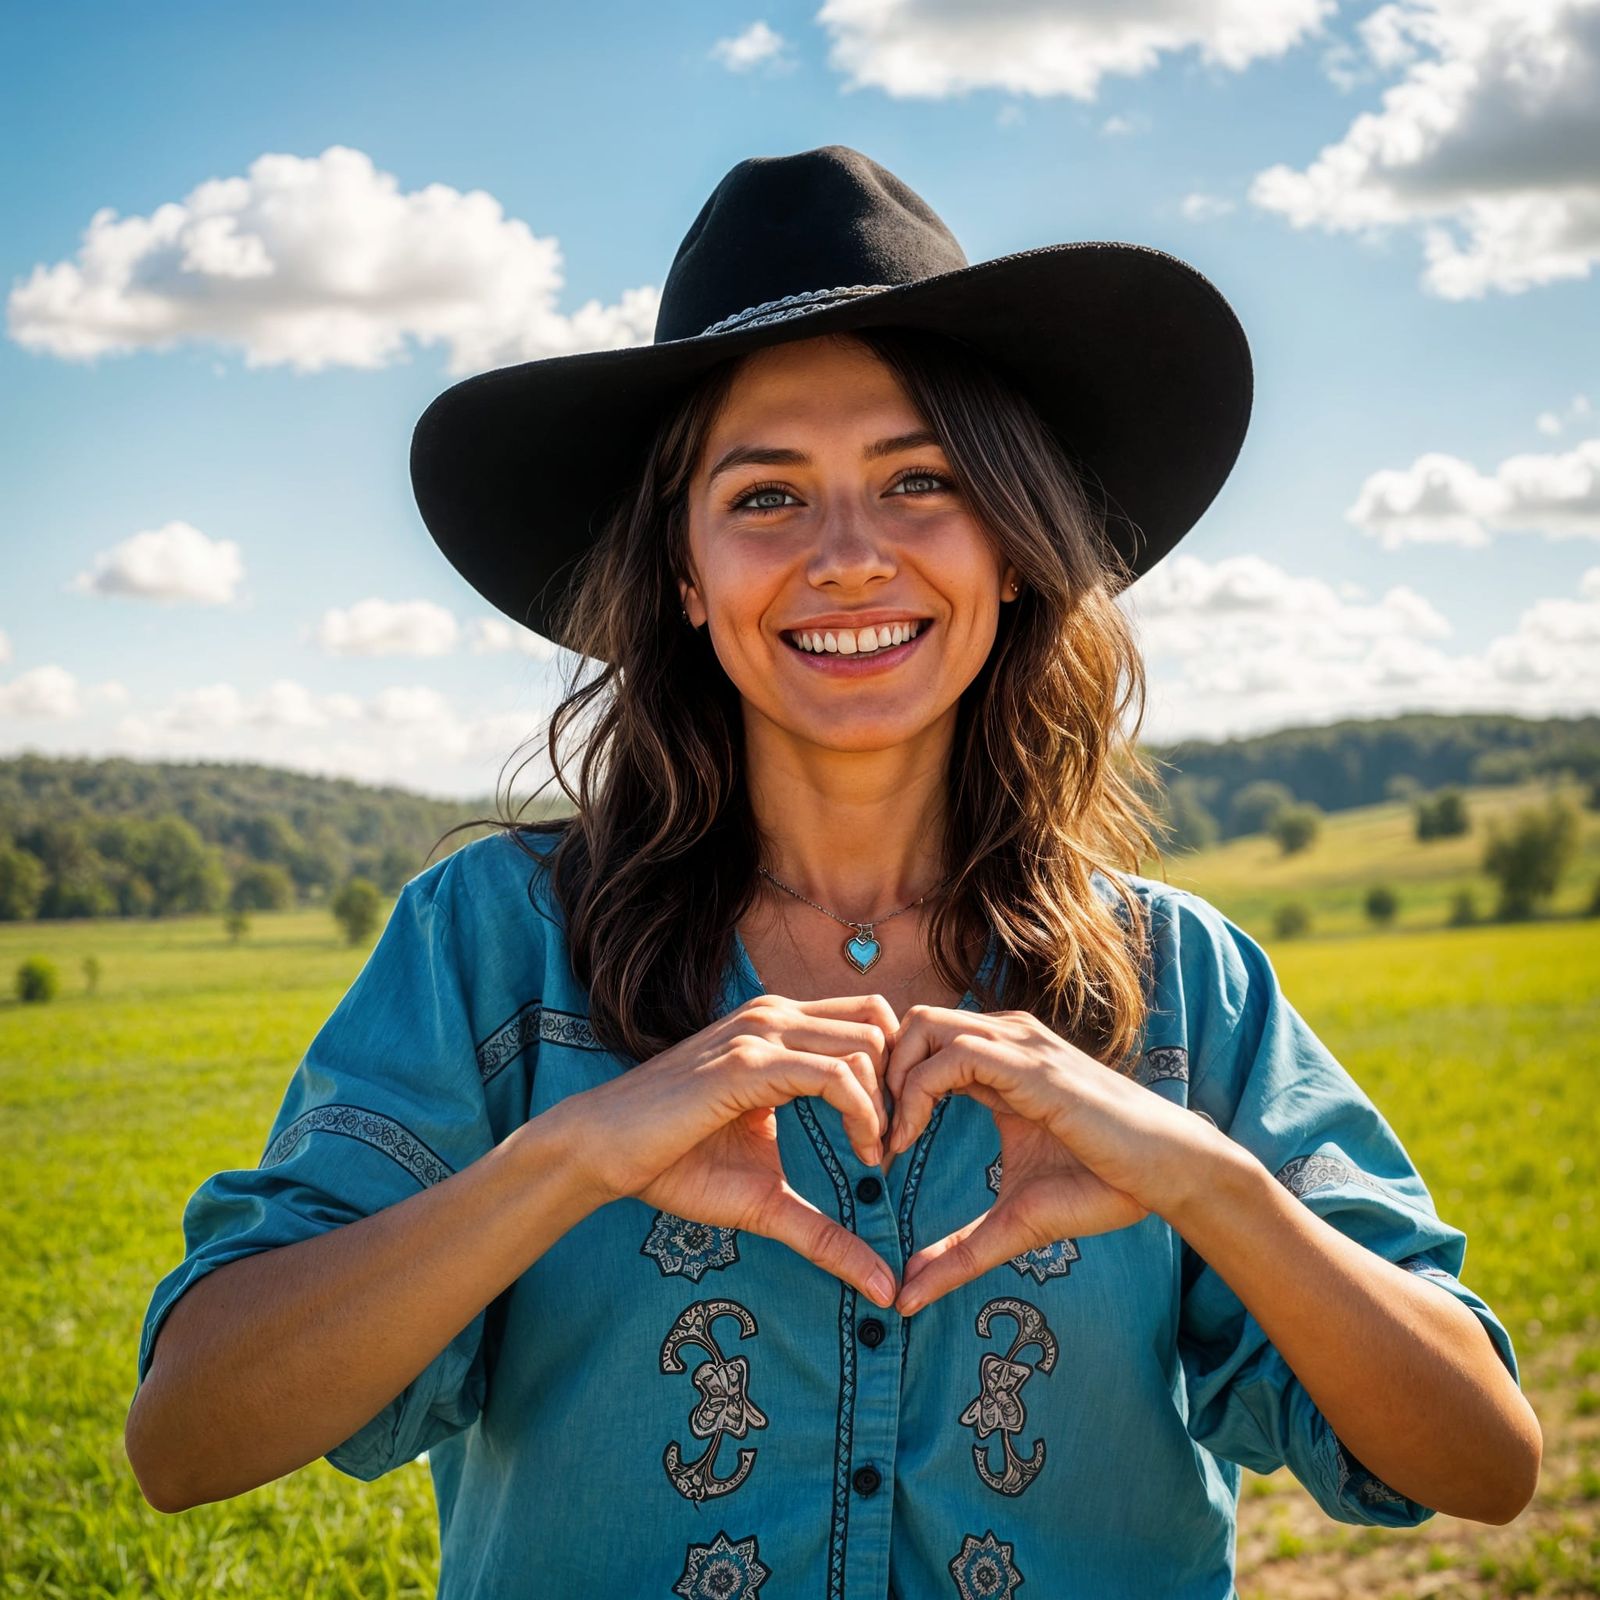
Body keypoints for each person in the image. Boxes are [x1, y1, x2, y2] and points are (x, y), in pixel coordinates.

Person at [126, 145, 1539, 1598]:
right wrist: (571, 1156)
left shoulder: (1181, 983)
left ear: (1008, 546)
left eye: (920, 480)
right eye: (766, 497)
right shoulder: (490, 944)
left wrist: (1211, 1186)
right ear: (683, 574)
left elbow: (1484, 1465)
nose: (851, 557)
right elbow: (188, 1435)